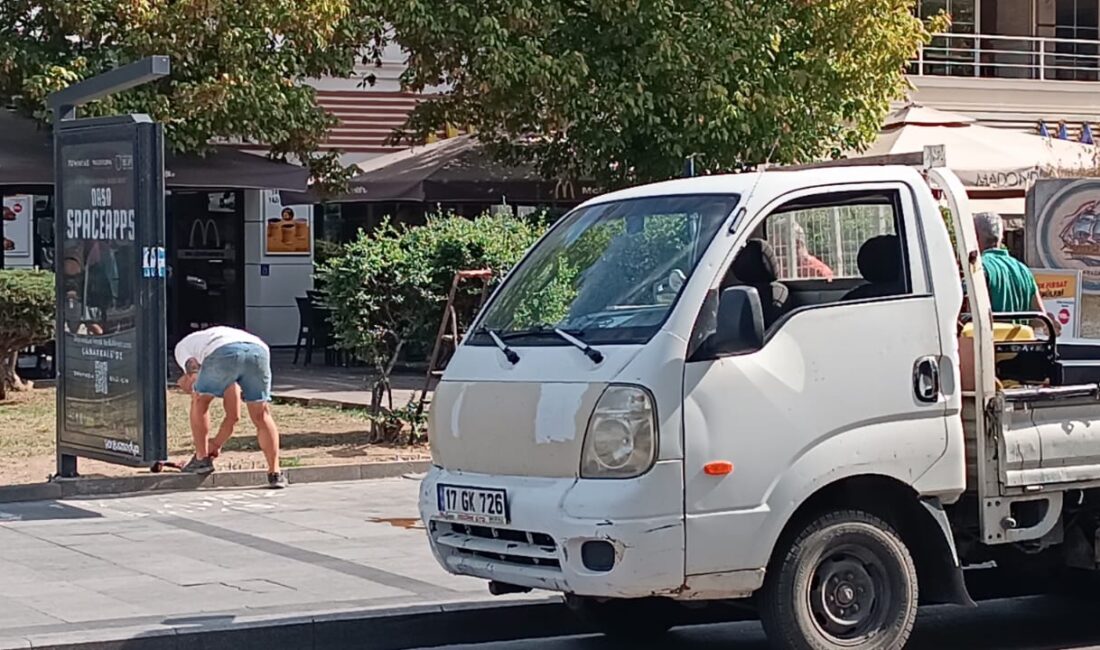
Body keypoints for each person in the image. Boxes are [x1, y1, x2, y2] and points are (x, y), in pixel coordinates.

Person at [174, 326, 287, 488]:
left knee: (200, 401)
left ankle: (201, 459)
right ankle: (275, 473)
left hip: (223, 351)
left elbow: (193, 375)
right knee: (261, 414)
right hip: (258, 351)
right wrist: (217, 443)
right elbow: (233, 416)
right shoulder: (210, 349)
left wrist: (191, 388)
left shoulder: (182, 348)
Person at [973, 211, 1060, 335]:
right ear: (1001, 237)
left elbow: (970, 316)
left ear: (975, 236)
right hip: (1019, 348)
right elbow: (1039, 318)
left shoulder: (979, 268)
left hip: (992, 347)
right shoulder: (1023, 270)